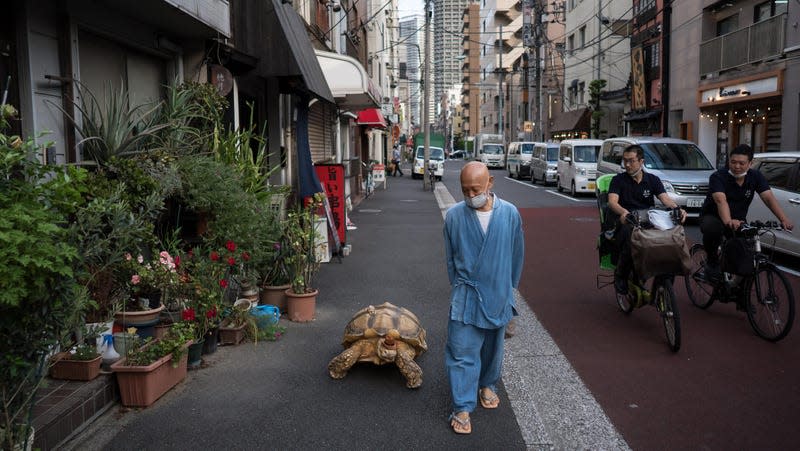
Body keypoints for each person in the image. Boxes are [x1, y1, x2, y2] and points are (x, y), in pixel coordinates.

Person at [443, 161, 524, 434]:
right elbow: (450, 259)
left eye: (475, 189)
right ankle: (462, 406)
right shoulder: (454, 216)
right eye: (464, 190)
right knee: (461, 350)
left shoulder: (510, 213)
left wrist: (509, 289)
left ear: (490, 183)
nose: (469, 196)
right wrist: (458, 286)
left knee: (493, 349)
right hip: (467, 293)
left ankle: (487, 384)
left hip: (498, 292)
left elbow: (516, 254)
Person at [700, 144, 794, 279]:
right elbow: (721, 200)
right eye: (733, 162)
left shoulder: (755, 176)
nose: (737, 166)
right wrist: (728, 221)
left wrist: (783, 219)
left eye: (741, 163)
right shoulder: (718, 176)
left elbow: (768, 197)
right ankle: (712, 261)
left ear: (750, 164)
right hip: (713, 216)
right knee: (713, 229)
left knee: (744, 252)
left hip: (739, 219)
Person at [607, 145, 686, 295]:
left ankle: (665, 275)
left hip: (647, 219)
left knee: (669, 239)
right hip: (626, 220)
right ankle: (621, 275)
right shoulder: (618, 180)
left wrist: (677, 209)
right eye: (625, 161)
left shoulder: (653, 180)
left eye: (631, 161)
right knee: (629, 238)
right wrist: (625, 212)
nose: (627, 165)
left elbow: (665, 199)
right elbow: (612, 202)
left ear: (641, 161)